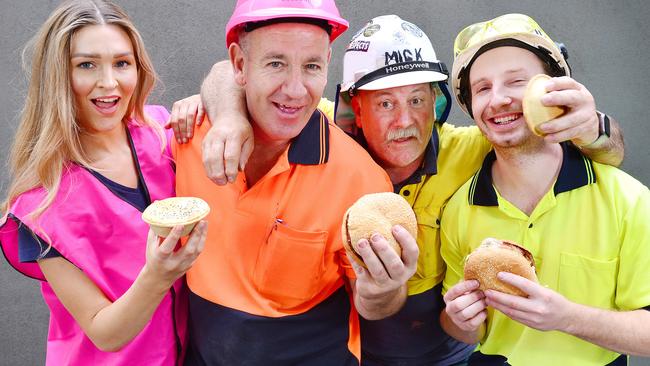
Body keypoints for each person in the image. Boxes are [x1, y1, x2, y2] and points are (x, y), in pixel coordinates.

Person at [171, 13, 625, 365]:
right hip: (360, 347)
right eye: (385, 103)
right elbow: (229, 72)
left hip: (449, 347)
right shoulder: (321, 126)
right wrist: (226, 113)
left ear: (438, 105)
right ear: (354, 112)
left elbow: (600, 154)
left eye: (417, 100)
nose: (405, 121)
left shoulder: (469, 148)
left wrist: (592, 127)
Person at [172, 1, 419, 365]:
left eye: (312, 67)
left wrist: (384, 290)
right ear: (240, 64)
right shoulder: (188, 136)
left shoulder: (360, 179)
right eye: (276, 64)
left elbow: (375, 306)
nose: (295, 90)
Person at [0, 1, 207, 364]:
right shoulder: (41, 204)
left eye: (122, 63)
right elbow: (104, 331)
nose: (109, 83)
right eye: (86, 65)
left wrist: (209, 103)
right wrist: (157, 277)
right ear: (58, 77)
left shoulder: (164, 133)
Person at [439, 13, 650, 365]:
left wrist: (567, 317)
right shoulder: (460, 208)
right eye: (483, 88)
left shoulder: (627, 200)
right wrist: (459, 320)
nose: (498, 99)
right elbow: (462, 330)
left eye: (516, 81)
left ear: (554, 90)